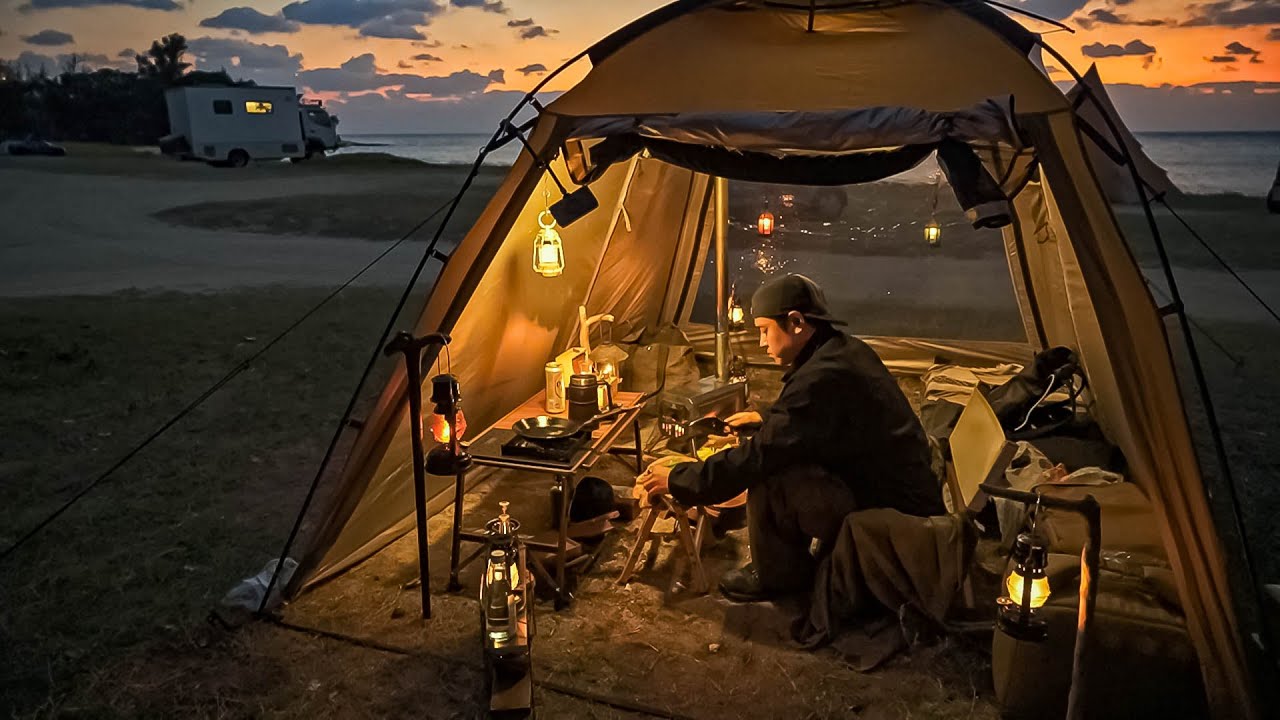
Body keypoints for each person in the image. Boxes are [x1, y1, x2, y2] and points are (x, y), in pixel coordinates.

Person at [641, 274, 944, 602]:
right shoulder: (841, 350)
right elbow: (819, 418)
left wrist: (678, 478)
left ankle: (778, 577)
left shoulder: (821, 377)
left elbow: (760, 455)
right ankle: (787, 567)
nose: (761, 343)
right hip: (901, 491)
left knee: (770, 474)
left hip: (897, 517)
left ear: (796, 323)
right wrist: (767, 417)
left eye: (764, 331)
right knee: (776, 455)